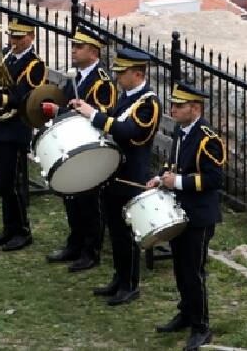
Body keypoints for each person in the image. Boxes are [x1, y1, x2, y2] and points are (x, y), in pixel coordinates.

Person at [72, 46, 160, 306]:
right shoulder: (126, 96)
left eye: (122, 73)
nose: (117, 77)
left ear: (136, 73)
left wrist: (95, 115)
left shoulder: (148, 102)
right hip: (113, 171)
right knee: (115, 229)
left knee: (127, 232)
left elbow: (130, 132)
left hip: (131, 175)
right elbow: (112, 118)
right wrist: (87, 110)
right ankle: (119, 277)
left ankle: (130, 284)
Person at [149, 82, 226, 351]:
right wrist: (160, 178)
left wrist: (178, 182)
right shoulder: (182, 132)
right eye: (173, 104)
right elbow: (174, 165)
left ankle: (201, 327)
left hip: (200, 216)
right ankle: (185, 313)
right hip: (180, 211)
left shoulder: (208, 138)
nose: (172, 109)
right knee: (180, 269)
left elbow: (215, 179)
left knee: (194, 272)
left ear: (195, 108)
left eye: (178, 106)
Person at [0, 16, 45, 251]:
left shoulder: (35, 65)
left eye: (19, 37)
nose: (13, 40)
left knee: (15, 182)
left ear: (31, 38)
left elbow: (24, 98)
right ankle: (8, 227)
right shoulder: (4, 55)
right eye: (11, 35)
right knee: (3, 181)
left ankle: (22, 231)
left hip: (16, 128)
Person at [47, 30, 116, 272]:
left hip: (90, 149)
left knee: (89, 202)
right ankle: (74, 244)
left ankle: (90, 251)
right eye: (73, 45)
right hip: (71, 145)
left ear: (94, 52)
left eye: (79, 46)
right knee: (72, 199)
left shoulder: (102, 82)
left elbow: (102, 114)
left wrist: (64, 112)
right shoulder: (76, 78)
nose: (73, 49)